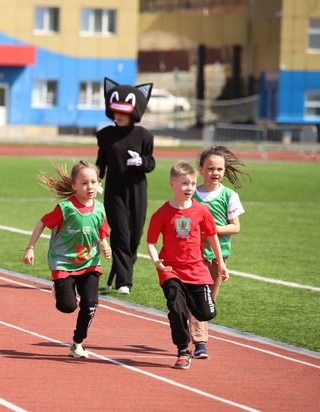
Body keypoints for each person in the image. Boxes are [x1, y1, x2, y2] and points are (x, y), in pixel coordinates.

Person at [22, 161, 111, 358]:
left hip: (90, 263)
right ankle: (59, 288)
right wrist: (30, 248)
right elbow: (42, 223)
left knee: (90, 303)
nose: (90, 187)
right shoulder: (65, 208)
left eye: (93, 182)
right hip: (63, 262)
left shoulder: (100, 208)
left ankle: (77, 343)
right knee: (67, 306)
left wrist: (104, 245)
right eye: (84, 183)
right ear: (74, 186)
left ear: (99, 183)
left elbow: (102, 229)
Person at [146, 160, 228, 370]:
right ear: (172, 184)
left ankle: (189, 304)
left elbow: (212, 236)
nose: (189, 188)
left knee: (206, 313)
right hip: (170, 270)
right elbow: (151, 242)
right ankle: (183, 351)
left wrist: (220, 263)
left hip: (197, 270)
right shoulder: (162, 213)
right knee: (176, 308)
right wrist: (157, 261)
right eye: (184, 183)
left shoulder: (202, 211)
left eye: (192, 183)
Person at [188, 146, 249, 359]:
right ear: (201, 169)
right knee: (198, 297)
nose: (215, 173)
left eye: (219, 169)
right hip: (193, 256)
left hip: (218, 254)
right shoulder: (191, 194)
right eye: (211, 168)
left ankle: (194, 333)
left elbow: (235, 227)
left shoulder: (229, 195)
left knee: (209, 302)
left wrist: (209, 229)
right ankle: (200, 343)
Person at [96, 77, 155, 295]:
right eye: (116, 111)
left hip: (138, 191)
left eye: (124, 112)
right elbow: (100, 163)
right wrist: (96, 181)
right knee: (121, 233)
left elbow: (151, 163)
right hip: (114, 191)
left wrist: (141, 162)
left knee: (135, 237)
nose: (118, 116)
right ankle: (125, 282)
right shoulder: (105, 136)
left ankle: (117, 271)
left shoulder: (144, 136)